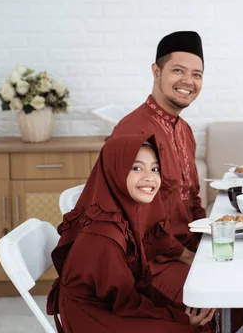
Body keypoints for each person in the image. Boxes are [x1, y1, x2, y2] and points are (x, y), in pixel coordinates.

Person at [46, 134, 215, 332]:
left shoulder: (128, 212)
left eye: (155, 168)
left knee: (197, 314)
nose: (149, 177)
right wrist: (179, 319)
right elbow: (126, 303)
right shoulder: (104, 236)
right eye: (136, 168)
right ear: (114, 171)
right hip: (94, 318)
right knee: (191, 326)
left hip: (113, 304)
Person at [111, 31, 207, 304]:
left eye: (197, 74)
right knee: (226, 300)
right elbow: (132, 219)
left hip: (186, 247)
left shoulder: (184, 129)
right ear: (157, 72)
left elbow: (192, 197)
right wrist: (190, 257)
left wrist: (207, 241)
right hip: (150, 264)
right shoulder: (135, 131)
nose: (188, 81)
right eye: (178, 70)